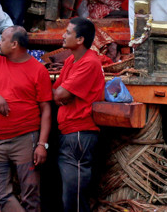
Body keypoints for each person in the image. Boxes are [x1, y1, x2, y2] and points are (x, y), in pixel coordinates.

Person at [0, 26, 52, 212]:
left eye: (2, 39)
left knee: (31, 194)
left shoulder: (38, 70)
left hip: (27, 138)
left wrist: (42, 144)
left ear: (14, 44)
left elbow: (46, 110)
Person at [53, 17, 104, 212]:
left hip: (80, 133)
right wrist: (62, 96)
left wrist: (62, 97)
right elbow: (57, 93)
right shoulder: (70, 60)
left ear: (80, 39)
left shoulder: (89, 62)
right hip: (70, 132)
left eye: (67, 32)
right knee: (70, 194)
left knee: (74, 197)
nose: (63, 36)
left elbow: (59, 94)